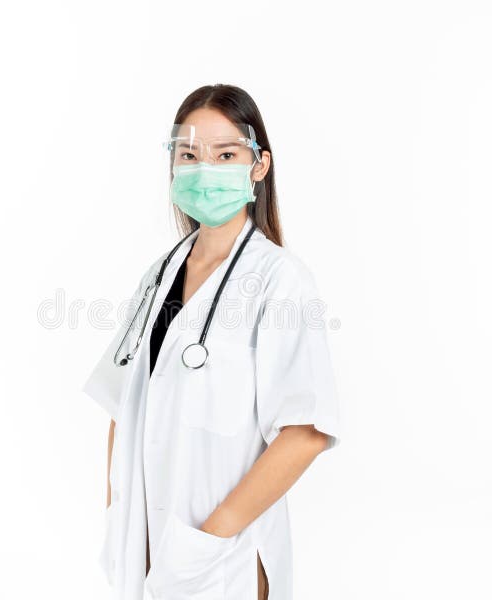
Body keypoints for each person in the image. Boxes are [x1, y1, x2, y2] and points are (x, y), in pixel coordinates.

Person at [82, 84, 341, 600]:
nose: (205, 168)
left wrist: (208, 540)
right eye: (189, 154)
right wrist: (118, 512)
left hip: (224, 558)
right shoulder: (159, 275)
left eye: (226, 154)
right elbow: (122, 404)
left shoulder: (279, 280)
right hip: (149, 545)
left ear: (259, 165)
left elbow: (305, 431)